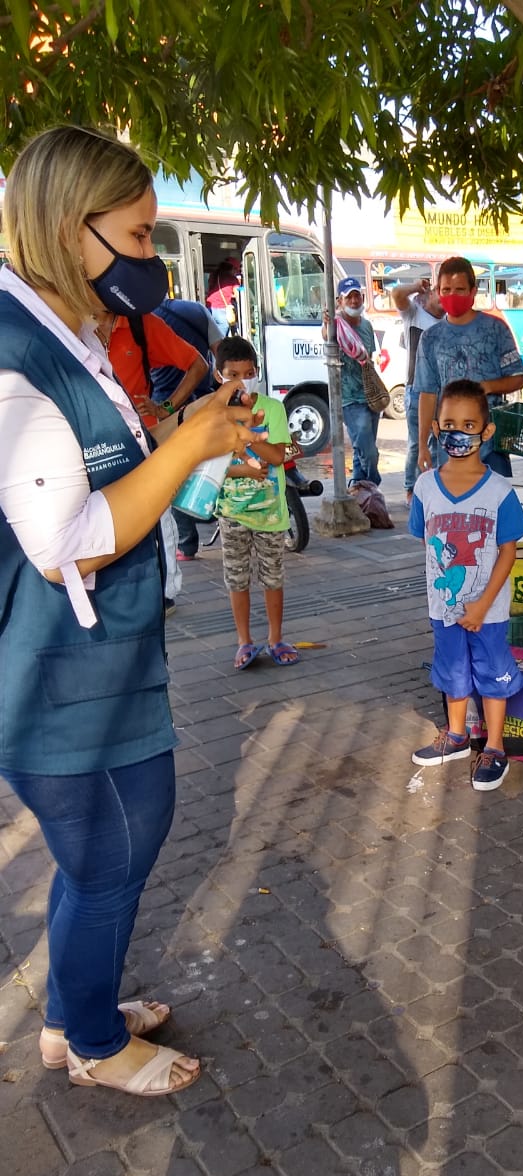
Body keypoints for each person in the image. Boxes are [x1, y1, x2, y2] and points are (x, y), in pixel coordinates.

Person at [0, 124, 261, 1096]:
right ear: (75, 229)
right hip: (57, 674)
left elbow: (98, 466)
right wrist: (184, 449)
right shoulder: (14, 348)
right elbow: (65, 535)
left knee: (114, 846)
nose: (153, 260)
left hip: (104, 660)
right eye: (142, 236)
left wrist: (181, 432)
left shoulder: (64, 332)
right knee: (111, 854)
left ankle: (78, 1012)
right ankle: (97, 1048)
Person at [409, 379, 523, 792]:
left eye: (468, 424)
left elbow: (508, 553)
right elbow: (429, 543)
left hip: (489, 613)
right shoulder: (425, 487)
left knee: (493, 673)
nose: (457, 433)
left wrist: (480, 606)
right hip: (443, 607)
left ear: (487, 430)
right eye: (448, 424)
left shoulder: (499, 491)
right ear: (435, 428)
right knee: (452, 670)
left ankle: (494, 747)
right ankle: (457, 736)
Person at [95, 306, 210, 610]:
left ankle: (166, 592)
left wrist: (167, 407)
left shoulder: (140, 325)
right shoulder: (70, 322)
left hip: (140, 440)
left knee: (158, 513)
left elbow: (198, 365)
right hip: (91, 443)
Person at [212, 337, 298, 669]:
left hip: (271, 514)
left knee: (273, 577)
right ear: (219, 375)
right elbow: (213, 465)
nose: (241, 380)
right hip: (232, 512)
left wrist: (246, 433)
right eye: (232, 374)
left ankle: (275, 638)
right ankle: (244, 641)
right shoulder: (214, 413)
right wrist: (242, 467)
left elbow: (277, 454)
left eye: (247, 373)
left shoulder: (272, 409)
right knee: (237, 578)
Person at [415, 256, 523, 480]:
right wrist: (422, 446)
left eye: (459, 289)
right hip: (449, 446)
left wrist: (486, 387)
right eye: (446, 290)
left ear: (473, 291)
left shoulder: (495, 329)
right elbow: (427, 394)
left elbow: (518, 377)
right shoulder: (430, 338)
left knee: (496, 506)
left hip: (491, 443)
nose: (452, 296)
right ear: (438, 291)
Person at [151, 297, 224, 560]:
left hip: (163, 405)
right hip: (202, 400)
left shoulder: (144, 318)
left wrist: (168, 407)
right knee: (211, 462)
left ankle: (186, 542)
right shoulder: (197, 310)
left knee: (173, 472)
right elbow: (221, 352)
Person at [323, 276, 381, 486]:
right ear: (340, 301)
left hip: (370, 396)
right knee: (369, 452)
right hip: (349, 399)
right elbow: (326, 336)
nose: (354, 301)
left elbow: (370, 359)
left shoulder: (366, 326)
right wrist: (327, 324)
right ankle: (373, 483)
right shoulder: (335, 325)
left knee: (362, 449)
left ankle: (360, 488)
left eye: (357, 296)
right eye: (349, 297)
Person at [394, 278, 444, 504]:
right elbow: (396, 294)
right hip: (416, 388)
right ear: (431, 293)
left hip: (441, 391)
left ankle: (429, 487)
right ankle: (411, 490)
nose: (444, 299)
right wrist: (415, 286)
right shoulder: (414, 314)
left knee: (437, 442)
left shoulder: (448, 321)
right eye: (441, 292)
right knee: (417, 442)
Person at [206, 256, 241, 333]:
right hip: (221, 310)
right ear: (233, 269)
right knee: (221, 336)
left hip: (209, 308)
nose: (236, 273)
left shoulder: (214, 275)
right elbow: (238, 295)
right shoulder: (233, 279)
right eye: (236, 270)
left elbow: (212, 289)